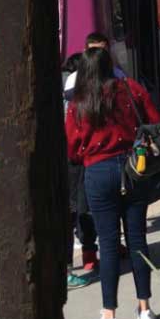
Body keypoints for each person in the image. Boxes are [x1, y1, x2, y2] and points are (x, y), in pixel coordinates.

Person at [66, 48, 160, 319]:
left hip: (98, 170)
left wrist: (88, 153)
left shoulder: (79, 101)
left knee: (107, 244)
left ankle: (109, 317)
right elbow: (155, 120)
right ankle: (145, 310)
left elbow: (72, 146)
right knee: (137, 239)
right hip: (133, 166)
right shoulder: (130, 88)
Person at [62, 53, 99, 291]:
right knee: (75, 210)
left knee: (73, 211)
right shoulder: (78, 93)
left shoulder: (67, 87)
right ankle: (67, 269)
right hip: (73, 161)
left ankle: (73, 264)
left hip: (65, 159)